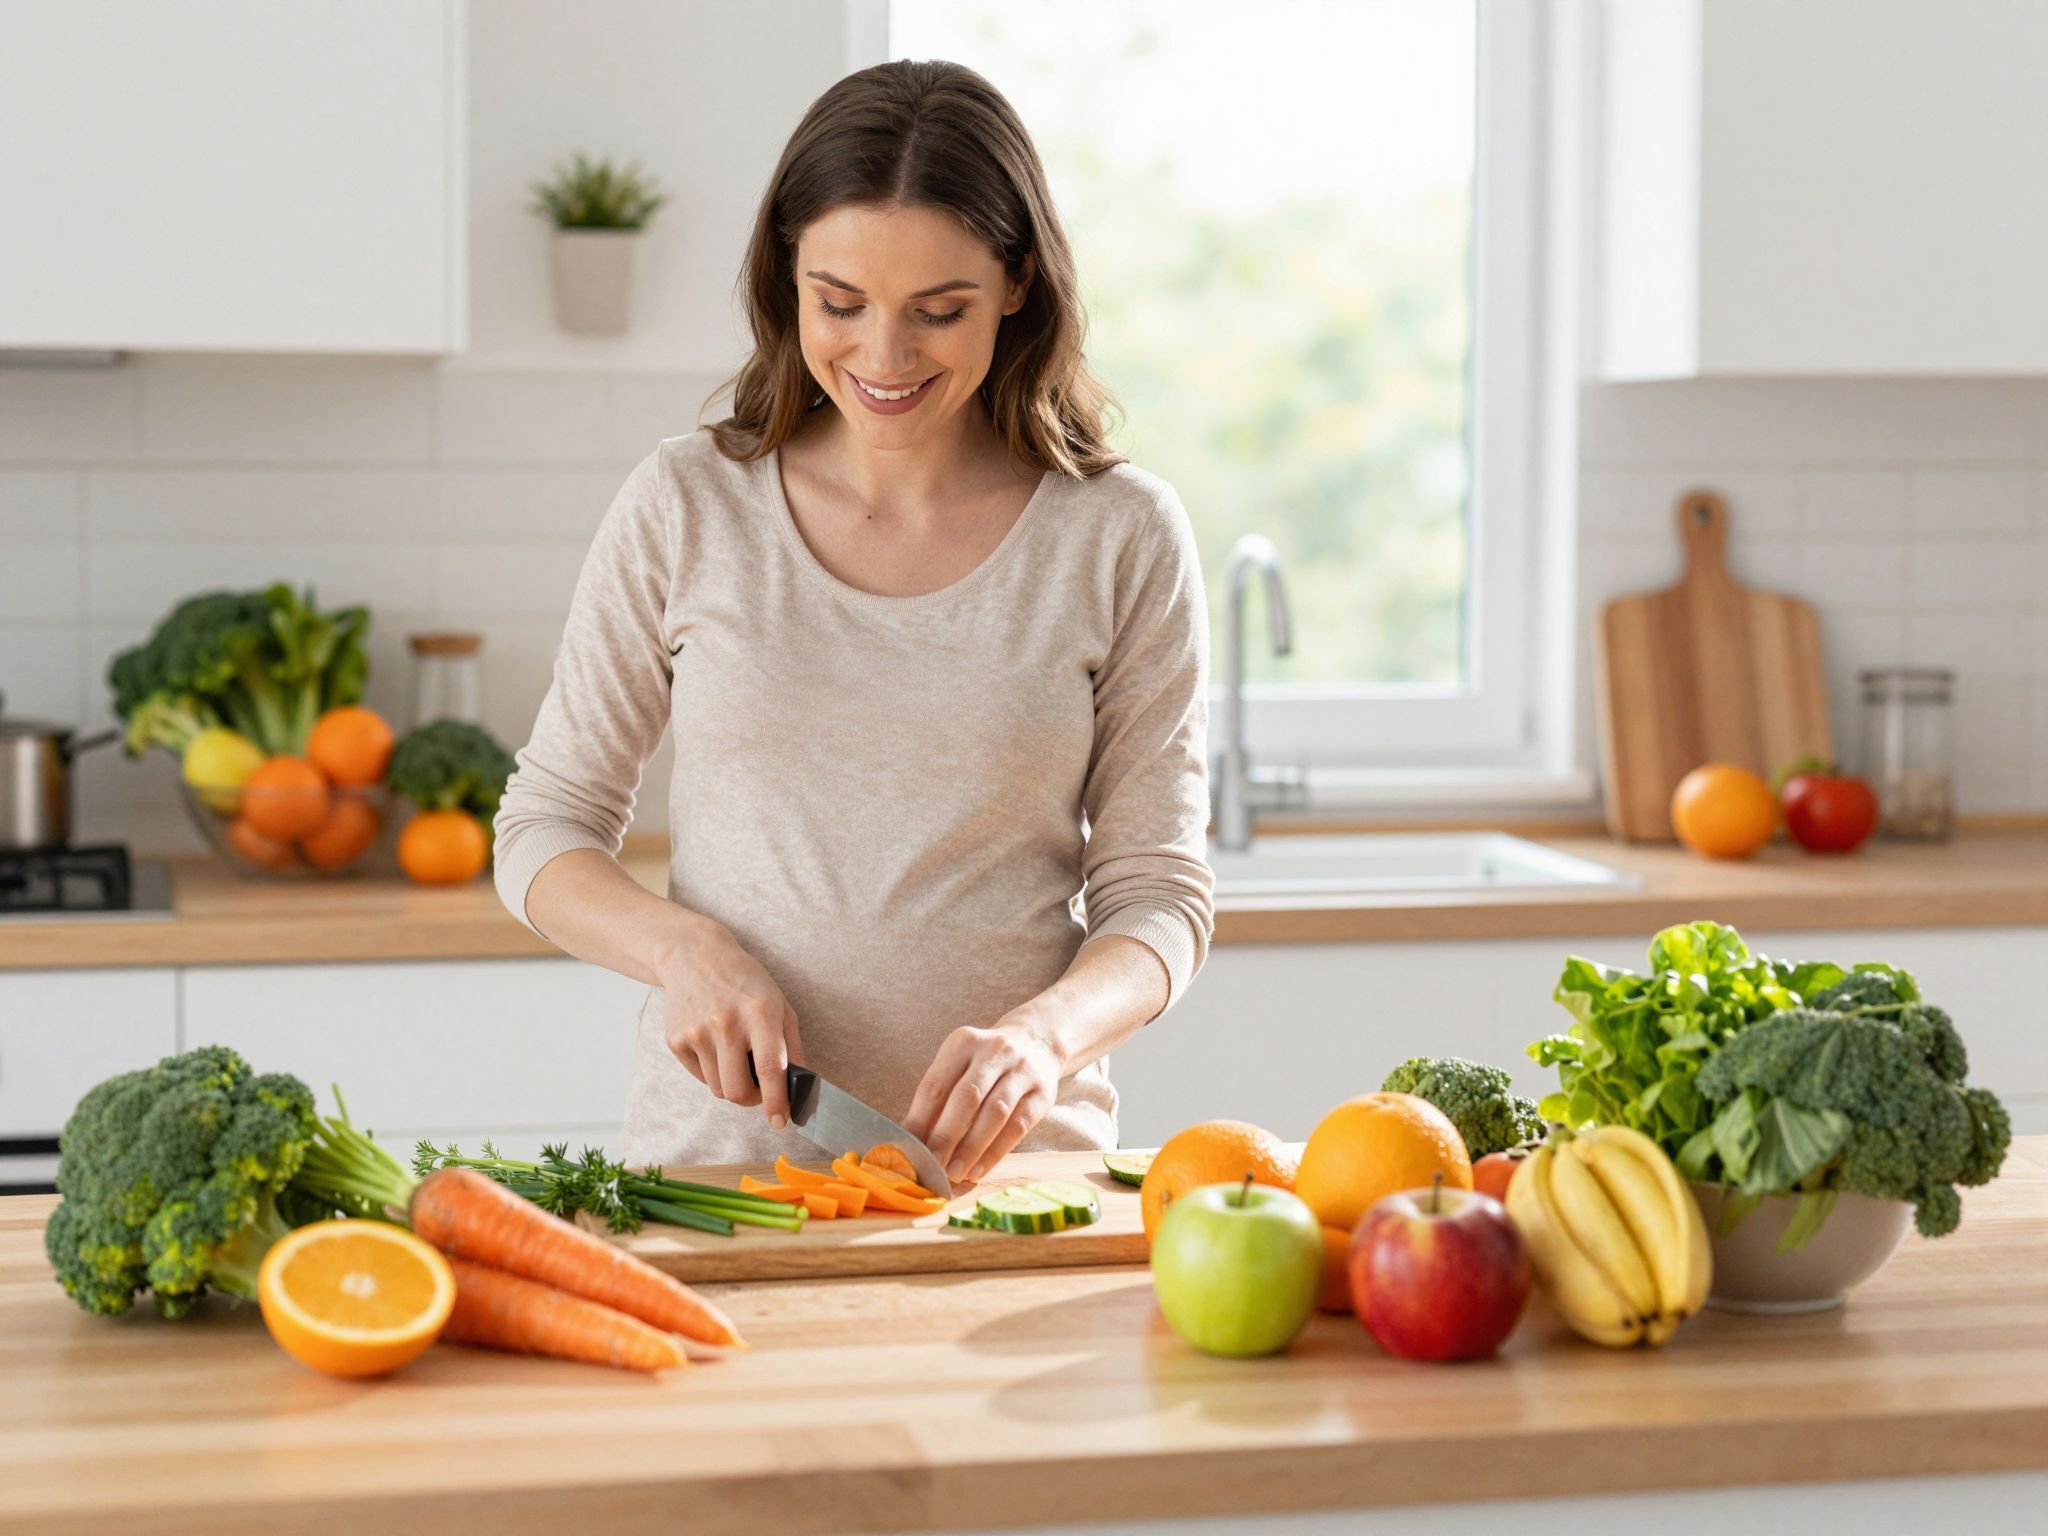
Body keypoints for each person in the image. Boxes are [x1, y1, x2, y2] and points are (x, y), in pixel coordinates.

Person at [493, 59, 1214, 1186]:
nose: (881, 358)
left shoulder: (1117, 535)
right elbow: (543, 827)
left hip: (1015, 1188)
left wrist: (1048, 1036)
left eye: (938, 312)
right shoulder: (688, 505)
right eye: (839, 304)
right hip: (726, 1185)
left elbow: (1158, 899)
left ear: (1018, 284)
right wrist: (683, 948)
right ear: (786, 279)